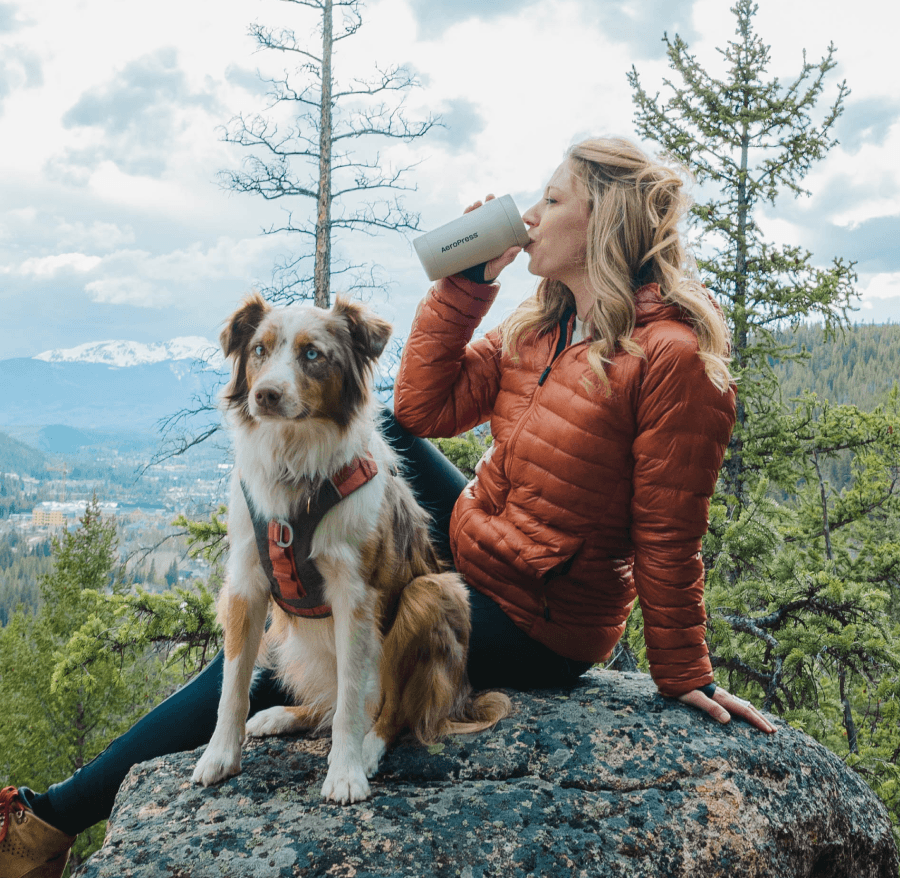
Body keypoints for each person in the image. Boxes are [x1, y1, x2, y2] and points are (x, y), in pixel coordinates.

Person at [0, 135, 775, 878]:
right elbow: (421, 403)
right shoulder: (543, 325)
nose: (528, 214)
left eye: (550, 199)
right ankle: (306, 592)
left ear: (603, 218)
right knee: (359, 491)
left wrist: (683, 674)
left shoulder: (673, 358)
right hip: (478, 544)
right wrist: (467, 283)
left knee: (300, 639)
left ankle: (46, 822)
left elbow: (670, 533)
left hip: (539, 612)